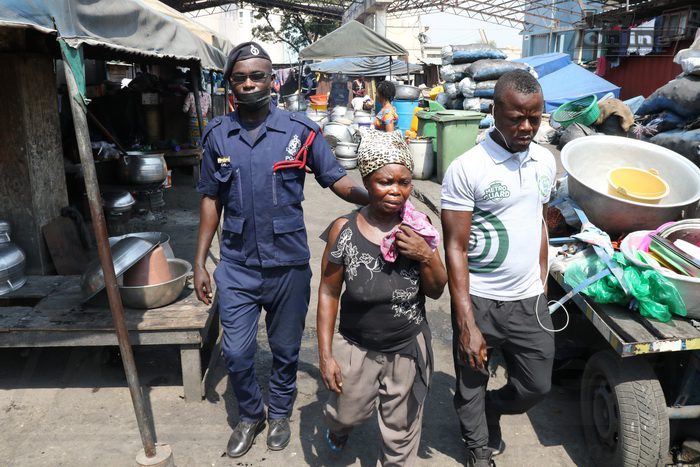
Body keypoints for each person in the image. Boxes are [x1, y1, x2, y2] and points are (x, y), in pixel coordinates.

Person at [194, 42, 369, 460]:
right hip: (237, 265)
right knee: (236, 353)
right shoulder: (218, 135)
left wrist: (379, 200)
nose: (249, 83)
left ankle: (279, 414)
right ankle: (250, 414)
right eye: (240, 77)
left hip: (288, 265)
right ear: (230, 83)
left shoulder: (300, 131)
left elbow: (336, 180)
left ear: (272, 80)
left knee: (286, 350)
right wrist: (199, 261)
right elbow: (210, 199)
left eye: (257, 76)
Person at [440, 70, 556, 467]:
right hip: (481, 299)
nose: (526, 128)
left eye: (534, 118)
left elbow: (539, 222)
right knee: (471, 380)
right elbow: (455, 247)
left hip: (529, 300)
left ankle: (494, 407)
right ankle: (478, 447)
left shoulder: (545, 161)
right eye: (516, 118)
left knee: (537, 386)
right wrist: (466, 321)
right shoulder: (468, 168)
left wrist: (541, 284)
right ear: (494, 112)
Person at [317, 132, 447, 465]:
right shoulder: (344, 230)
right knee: (345, 414)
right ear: (367, 181)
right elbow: (329, 292)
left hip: (407, 346)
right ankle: (341, 428)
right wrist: (326, 355)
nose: (396, 191)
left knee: (400, 435)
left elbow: (436, 289)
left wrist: (425, 254)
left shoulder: (418, 227)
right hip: (356, 346)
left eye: (404, 182)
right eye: (385, 182)